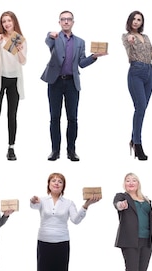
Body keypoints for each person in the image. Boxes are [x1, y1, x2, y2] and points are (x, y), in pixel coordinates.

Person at [29, 172, 100, 271]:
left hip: (61, 243)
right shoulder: (42, 200)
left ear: (63, 186)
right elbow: (32, 205)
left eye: (60, 181)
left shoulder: (68, 203)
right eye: (53, 181)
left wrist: (86, 205)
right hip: (44, 242)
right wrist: (32, 200)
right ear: (48, 184)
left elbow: (75, 220)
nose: (56, 183)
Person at [40, 11, 106, 162]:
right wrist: (50, 34)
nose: (66, 22)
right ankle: (55, 150)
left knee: (73, 118)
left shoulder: (80, 42)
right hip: (55, 82)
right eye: (63, 19)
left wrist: (94, 57)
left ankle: (71, 150)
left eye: (69, 19)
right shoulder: (54, 38)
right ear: (59, 22)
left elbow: (82, 63)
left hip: (72, 83)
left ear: (73, 22)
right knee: (55, 117)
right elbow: (47, 41)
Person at [122, 11, 152, 161]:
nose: (136, 21)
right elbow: (128, 46)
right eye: (134, 19)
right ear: (130, 21)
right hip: (136, 72)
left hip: (149, 72)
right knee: (140, 107)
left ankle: (133, 139)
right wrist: (130, 40)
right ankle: (137, 144)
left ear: (142, 22)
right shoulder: (126, 36)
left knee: (143, 108)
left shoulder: (146, 37)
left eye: (139, 20)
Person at [0, 11, 27, 161]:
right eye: (4, 21)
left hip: (14, 80)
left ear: (14, 21)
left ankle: (11, 148)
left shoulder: (20, 40)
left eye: (9, 21)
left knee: (12, 115)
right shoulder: (0, 38)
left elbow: (23, 61)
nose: (7, 24)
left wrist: (20, 51)